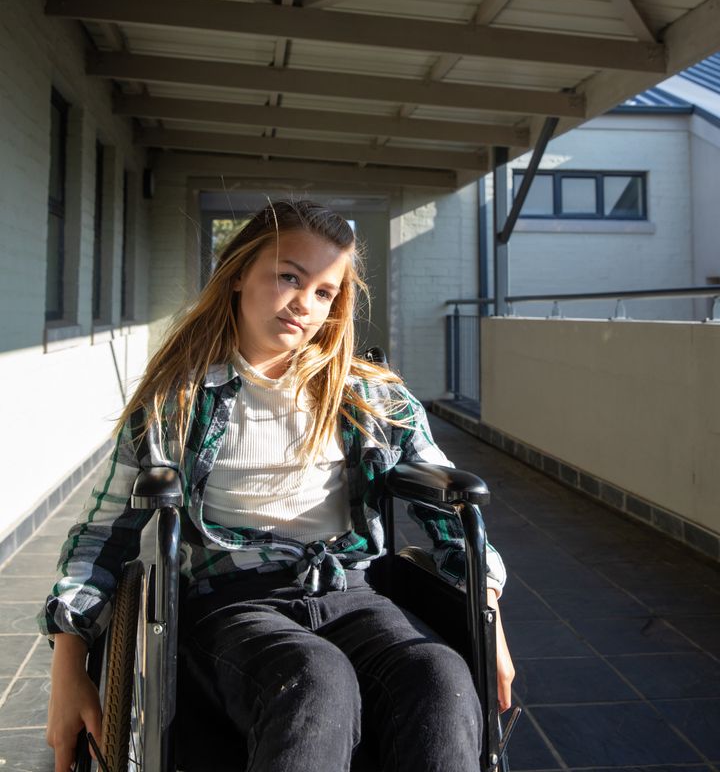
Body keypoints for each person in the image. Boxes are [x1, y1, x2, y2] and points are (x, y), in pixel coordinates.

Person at [40, 199, 514, 772]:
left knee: (439, 675)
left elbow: (450, 509)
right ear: (238, 273)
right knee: (315, 679)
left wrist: (488, 620)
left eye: (324, 292)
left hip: (353, 593)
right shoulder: (177, 402)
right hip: (234, 605)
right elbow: (104, 534)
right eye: (289, 276)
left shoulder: (369, 396)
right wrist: (69, 668)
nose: (304, 305)